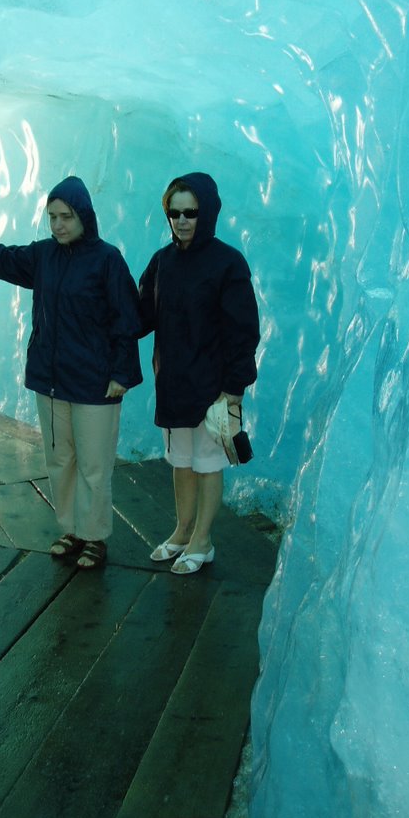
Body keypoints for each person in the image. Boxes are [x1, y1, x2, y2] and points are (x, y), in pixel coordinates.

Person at [0, 177, 142, 569]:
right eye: (52, 217)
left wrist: (122, 372)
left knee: (94, 464)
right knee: (60, 459)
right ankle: (72, 528)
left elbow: (126, 320)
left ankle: (95, 535)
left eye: (66, 216)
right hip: (50, 379)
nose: (59, 224)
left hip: (96, 382)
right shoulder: (44, 255)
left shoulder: (107, 259)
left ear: (84, 216)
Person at [138, 172, 260, 575]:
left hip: (212, 389)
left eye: (191, 211)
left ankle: (203, 541)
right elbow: (140, 315)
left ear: (206, 212)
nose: (182, 220)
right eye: (175, 213)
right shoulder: (162, 262)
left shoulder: (228, 262)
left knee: (208, 465)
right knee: (182, 463)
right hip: (173, 383)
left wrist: (234, 388)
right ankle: (182, 531)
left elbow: (243, 330)